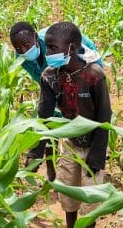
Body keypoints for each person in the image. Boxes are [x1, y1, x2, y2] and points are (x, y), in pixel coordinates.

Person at [38, 22, 111, 228]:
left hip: (93, 141)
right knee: (68, 188)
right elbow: (45, 115)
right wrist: (36, 150)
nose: (48, 54)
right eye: (47, 49)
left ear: (71, 48)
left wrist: (98, 154)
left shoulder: (93, 75)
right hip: (68, 140)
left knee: (90, 195)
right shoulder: (49, 76)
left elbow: (104, 116)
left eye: (52, 48)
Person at [9, 21, 102, 181]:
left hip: (83, 65)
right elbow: (42, 78)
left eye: (26, 44)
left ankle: (90, 161)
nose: (23, 50)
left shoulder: (56, 45)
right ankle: (51, 170)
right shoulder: (21, 58)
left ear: (36, 37)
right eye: (18, 48)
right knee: (49, 119)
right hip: (53, 79)